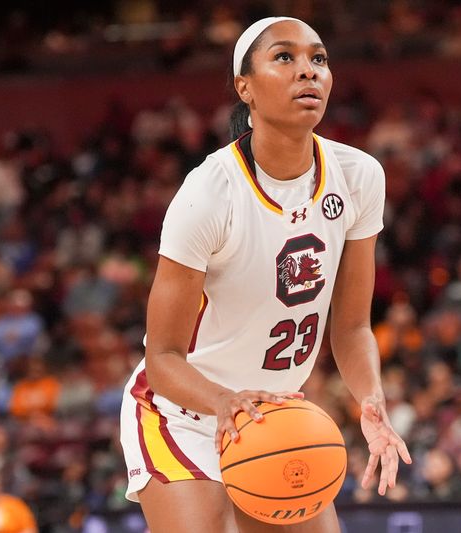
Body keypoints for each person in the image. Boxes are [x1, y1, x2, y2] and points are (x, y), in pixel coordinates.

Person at [118, 16, 411, 533]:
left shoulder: (361, 176)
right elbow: (161, 358)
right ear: (244, 88)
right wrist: (223, 403)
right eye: (285, 58)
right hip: (181, 414)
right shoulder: (209, 193)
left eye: (318, 59)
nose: (308, 72)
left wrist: (371, 399)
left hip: (271, 419)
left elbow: (350, 328)